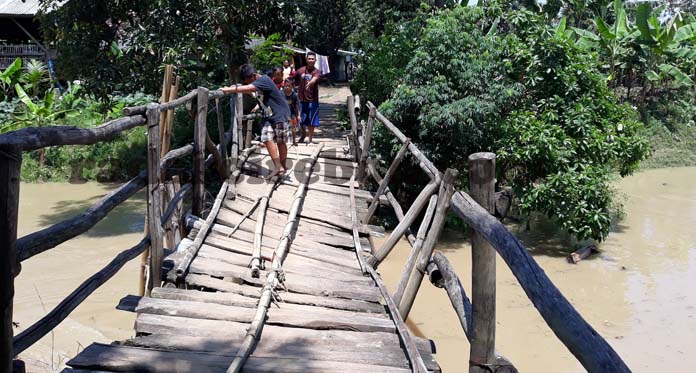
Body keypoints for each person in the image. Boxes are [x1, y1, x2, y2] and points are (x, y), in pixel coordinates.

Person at [222, 64, 291, 179]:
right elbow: (254, 93)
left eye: (248, 81)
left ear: (254, 76)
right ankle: (278, 166)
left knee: (281, 141)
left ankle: (282, 166)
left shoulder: (264, 79)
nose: (247, 84)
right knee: (266, 138)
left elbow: (249, 88)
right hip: (268, 115)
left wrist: (228, 89)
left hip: (280, 113)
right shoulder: (259, 83)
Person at [292, 52, 321, 143]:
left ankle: (310, 139)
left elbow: (315, 78)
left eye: (313, 59)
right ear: (306, 59)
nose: (311, 60)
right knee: (299, 120)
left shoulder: (317, 71)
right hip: (300, 99)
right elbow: (292, 79)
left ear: (315, 60)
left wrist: (311, 82)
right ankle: (304, 133)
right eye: (309, 59)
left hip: (313, 100)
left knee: (311, 120)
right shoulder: (300, 70)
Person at [283, 78, 301, 146]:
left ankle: (294, 140)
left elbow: (297, 106)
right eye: (286, 86)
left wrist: (299, 115)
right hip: (283, 113)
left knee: (293, 127)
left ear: (292, 86)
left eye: (289, 86)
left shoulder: (294, 95)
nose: (287, 87)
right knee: (283, 127)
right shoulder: (281, 93)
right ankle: (283, 140)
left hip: (292, 113)